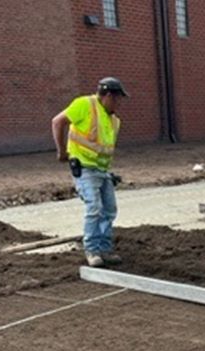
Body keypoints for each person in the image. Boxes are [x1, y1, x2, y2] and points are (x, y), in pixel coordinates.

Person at [52, 77, 128, 267]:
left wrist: (109, 173)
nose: (119, 103)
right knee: (94, 208)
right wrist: (62, 152)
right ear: (108, 96)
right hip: (85, 168)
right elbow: (58, 121)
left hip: (102, 171)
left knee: (109, 210)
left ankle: (104, 249)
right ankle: (92, 250)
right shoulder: (85, 105)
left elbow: (103, 149)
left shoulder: (114, 120)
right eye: (118, 99)